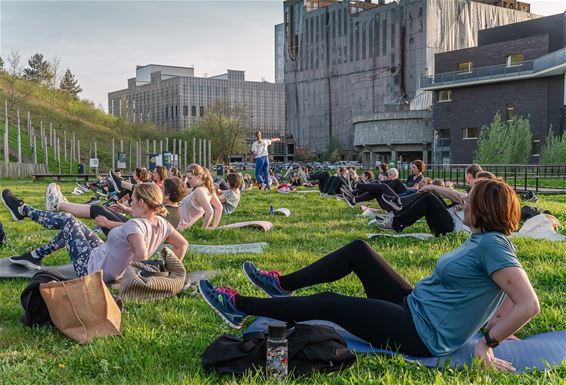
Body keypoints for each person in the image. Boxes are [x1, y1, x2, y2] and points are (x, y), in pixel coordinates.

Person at [198, 178, 540, 371]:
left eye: (469, 200)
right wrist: (493, 322)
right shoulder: (483, 240)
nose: (463, 202)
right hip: (414, 305)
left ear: (484, 209)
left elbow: (528, 302)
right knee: (359, 251)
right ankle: (280, 284)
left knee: (331, 304)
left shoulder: (494, 245)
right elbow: (498, 294)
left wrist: (487, 343)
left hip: (421, 333)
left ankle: (239, 306)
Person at [3, 183, 188, 283]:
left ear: (141, 203)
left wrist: (137, 280)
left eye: (132, 200)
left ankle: (23, 210)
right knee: (76, 227)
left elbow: (141, 254)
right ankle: (35, 256)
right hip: (102, 258)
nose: (130, 203)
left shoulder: (135, 226)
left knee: (68, 220)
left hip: (91, 270)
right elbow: (182, 244)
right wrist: (172, 271)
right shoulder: (161, 223)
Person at [177, 164, 222, 231]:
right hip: (177, 225)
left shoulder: (199, 191)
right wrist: (214, 226)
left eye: (190, 178)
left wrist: (203, 229)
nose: (188, 181)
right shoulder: (208, 190)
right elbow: (219, 207)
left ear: (199, 176)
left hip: (176, 226)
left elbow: (210, 212)